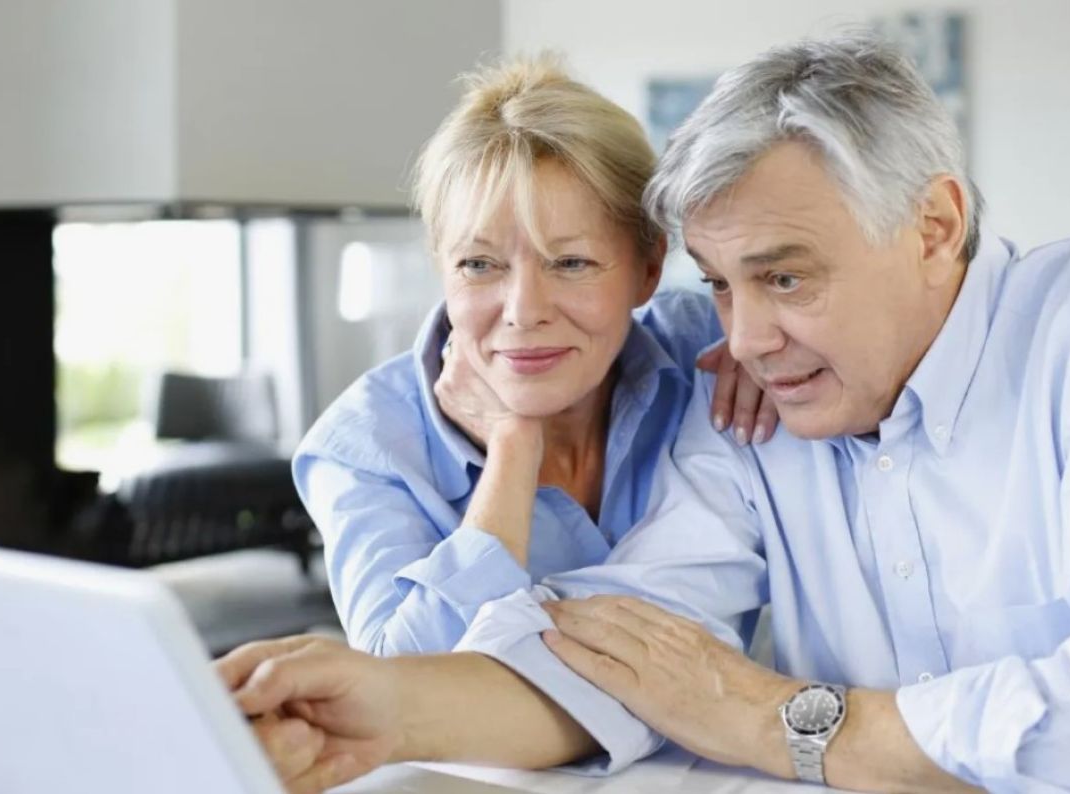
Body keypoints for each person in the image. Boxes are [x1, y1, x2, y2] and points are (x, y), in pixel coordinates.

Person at [219, 34, 1070, 794]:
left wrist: (783, 721)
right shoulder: (759, 411)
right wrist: (382, 710)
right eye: (721, 287)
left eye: (784, 277)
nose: (742, 339)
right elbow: (629, 641)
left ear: (934, 226)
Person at [294, 56, 774, 656]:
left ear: (649, 269)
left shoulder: (707, 347)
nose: (523, 311)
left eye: (570, 263)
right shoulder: (364, 445)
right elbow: (399, 677)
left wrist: (769, 356)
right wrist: (513, 450)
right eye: (479, 264)